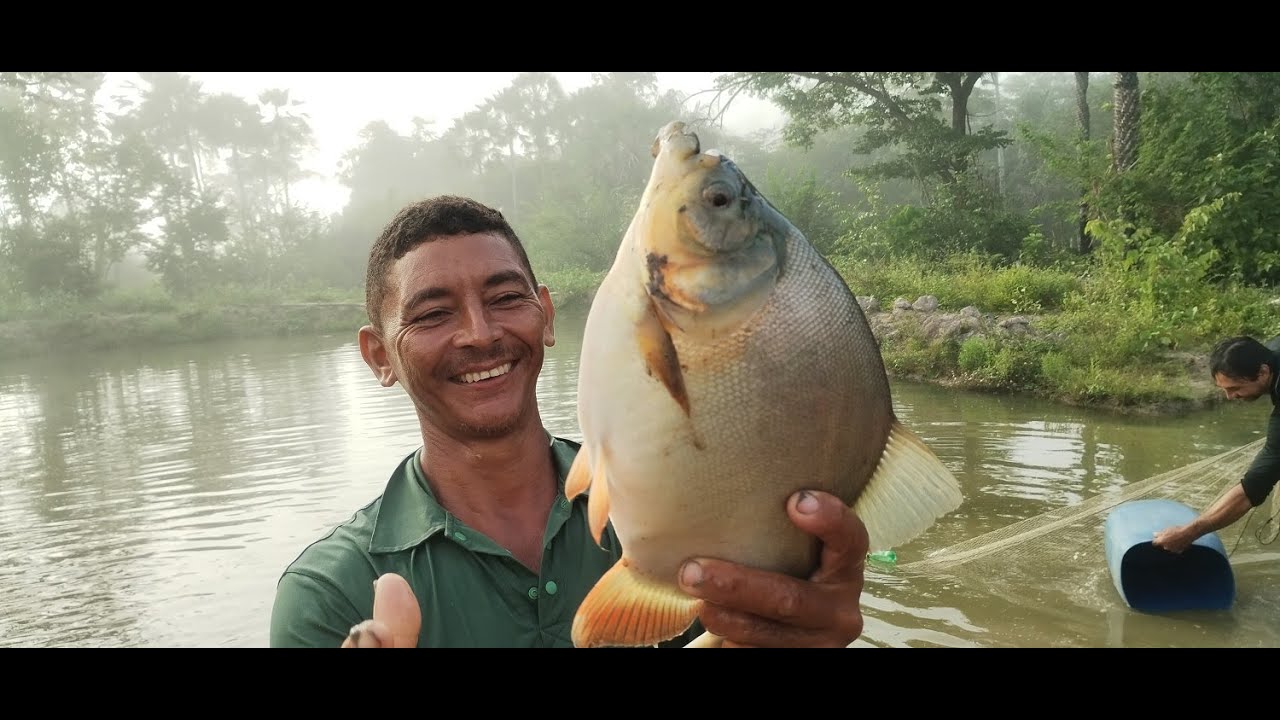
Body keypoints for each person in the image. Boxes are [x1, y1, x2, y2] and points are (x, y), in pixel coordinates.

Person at [268, 194, 870, 648]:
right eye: (432, 314)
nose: (480, 334)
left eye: (505, 298)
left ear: (545, 315)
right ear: (379, 356)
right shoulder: (331, 592)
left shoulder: (685, 505)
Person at [1152, 335, 1280, 554]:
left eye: (1234, 387)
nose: (1230, 397)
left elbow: (1252, 489)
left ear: (1263, 372)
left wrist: (1188, 533)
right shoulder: (1270, 352)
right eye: (1224, 389)